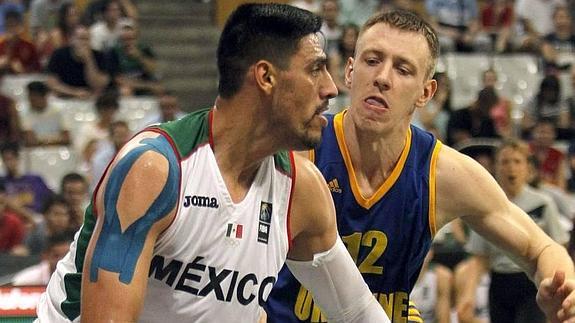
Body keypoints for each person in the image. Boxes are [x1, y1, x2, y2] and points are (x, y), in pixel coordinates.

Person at [36, 4, 390, 322]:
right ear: (266, 77)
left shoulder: (301, 190)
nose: (330, 88)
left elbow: (357, 312)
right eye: (315, 69)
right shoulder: (155, 168)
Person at [265, 10, 575, 323]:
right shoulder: (298, 153)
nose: (383, 78)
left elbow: (542, 249)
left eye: (402, 69)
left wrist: (562, 292)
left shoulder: (441, 174)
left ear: (425, 93)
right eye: (372, 60)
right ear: (349, 71)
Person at [460, 139, 568, 323]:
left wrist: (560, 291)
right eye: (505, 161)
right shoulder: (486, 206)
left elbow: (559, 247)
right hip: (500, 283)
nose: (511, 168)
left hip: (531, 282)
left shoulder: (542, 203)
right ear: (496, 167)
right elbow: (479, 259)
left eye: (517, 162)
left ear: (528, 168)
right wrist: (467, 298)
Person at [21, 81, 71, 147]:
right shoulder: (24, 113)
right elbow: (30, 140)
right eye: (29, 97)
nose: (31, 100)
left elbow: (66, 138)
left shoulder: (59, 111)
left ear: (44, 96)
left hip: (58, 150)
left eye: (34, 97)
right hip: (36, 151)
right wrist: (54, 140)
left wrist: (44, 142)